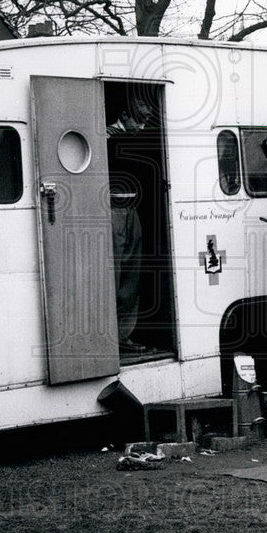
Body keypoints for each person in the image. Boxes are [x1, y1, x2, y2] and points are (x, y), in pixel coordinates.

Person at [106, 96, 154, 354]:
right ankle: (111, 335)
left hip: (130, 209)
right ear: (124, 114)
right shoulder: (106, 136)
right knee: (115, 274)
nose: (144, 127)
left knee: (130, 274)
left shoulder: (132, 139)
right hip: (112, 210)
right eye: (141, 120)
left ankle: (123, 335)